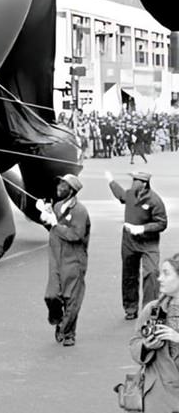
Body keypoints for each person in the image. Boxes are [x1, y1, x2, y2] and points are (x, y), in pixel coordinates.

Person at [38, 173, 90, 347]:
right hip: (56, 256)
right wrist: (45, 215)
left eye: (63, 185)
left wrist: (54, 224)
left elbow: (76, 235)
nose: (58, 187)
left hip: (73, 258)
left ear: (71, 190)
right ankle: (59, 319)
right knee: (51, 295)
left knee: (71, 298)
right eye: (59, 183)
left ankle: (68, 333)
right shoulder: (58, 205)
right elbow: (52, 227)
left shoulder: (80, 211)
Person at [111, 170, 168, 320]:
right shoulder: (130, 194)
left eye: (136, 181)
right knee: (129, 274)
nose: (133, 184)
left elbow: (162, 223)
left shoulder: (154, 200)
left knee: (151, 272)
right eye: (133, 181)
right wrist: (111, 181)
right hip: (129, 241)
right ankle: (130, 307)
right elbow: (121, 195)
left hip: (148, 242)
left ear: (144, 184)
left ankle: (149, 309)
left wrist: (143, 228)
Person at [129, 252, 179, 411]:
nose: (159, 279)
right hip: (158, 393)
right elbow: (134, 344)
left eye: (166, 273)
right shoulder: (152, 309)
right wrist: (146, 346)